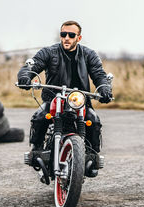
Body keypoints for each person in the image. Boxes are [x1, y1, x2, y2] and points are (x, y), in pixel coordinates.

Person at [17, 20, 113, 160]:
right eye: (63, 34)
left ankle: (92, 155)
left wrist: (105, 88)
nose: (66, 38)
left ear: (78, 38)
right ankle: (36, 150)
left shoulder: (89, 54)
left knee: (94, 121)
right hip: (53, 99)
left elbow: (99, 74)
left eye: (71, 35)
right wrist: (25, 76)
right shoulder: (49, 52)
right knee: (39, 117)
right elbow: (32, 66)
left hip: (79, 101)